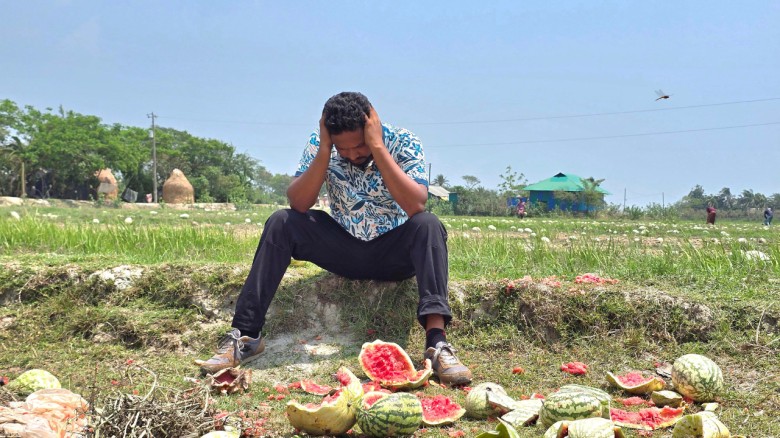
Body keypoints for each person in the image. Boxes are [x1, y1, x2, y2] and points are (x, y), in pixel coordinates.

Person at [195, 92, 472, 387]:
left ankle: (437, 344)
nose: (353, 154)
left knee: (428, 224)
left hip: (394, 254)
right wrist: (326, 150)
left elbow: (416, 204)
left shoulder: (403, 141)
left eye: (360, 145)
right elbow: (299, 203)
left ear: (372, 127)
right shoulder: (321, 145)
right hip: (345, 250)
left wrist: (377, 147)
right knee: (281, 221)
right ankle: (246, 335)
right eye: (345, 149)